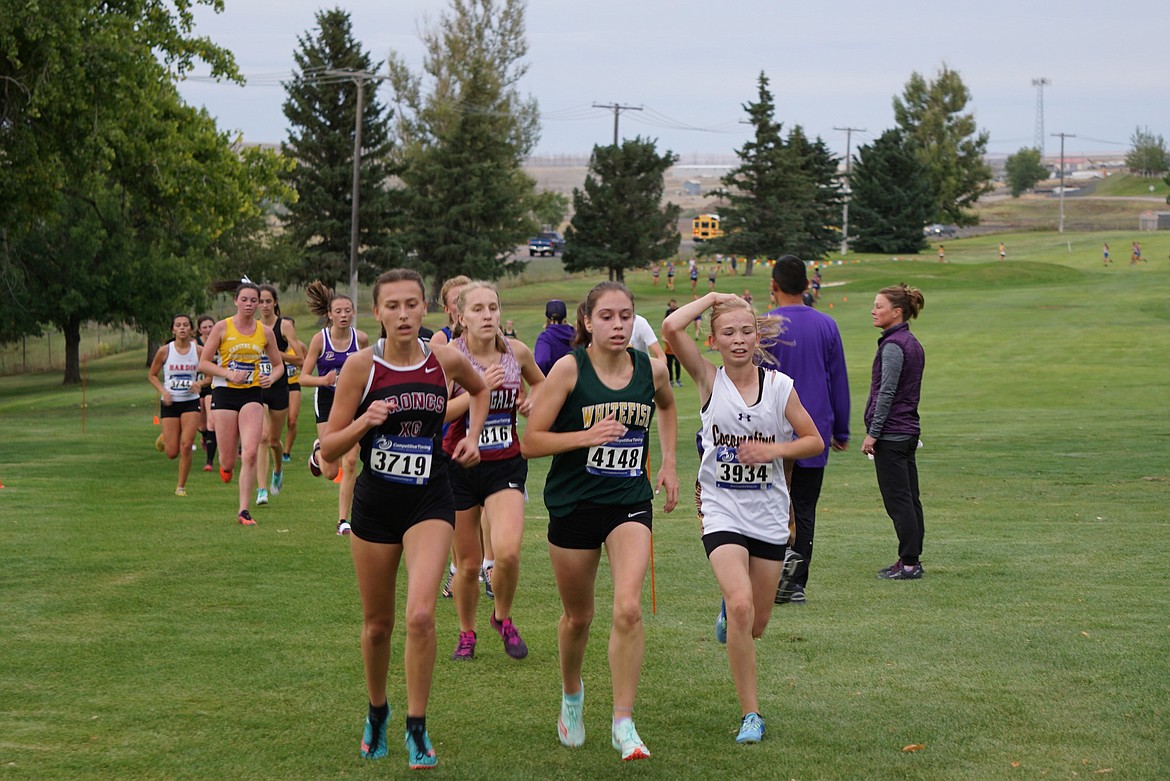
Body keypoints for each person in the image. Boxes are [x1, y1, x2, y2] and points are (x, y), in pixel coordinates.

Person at [319, 268, 488, 769]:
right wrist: (363, 422)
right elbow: (328, 448)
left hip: (430, 500)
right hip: (375, 504)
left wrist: (473, 437)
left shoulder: (445, 360)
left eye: (411, 304)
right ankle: (377, 712)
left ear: (426, 309)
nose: (403, 314)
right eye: (392, 306)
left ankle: (418, 725)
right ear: (378, 313)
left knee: (419, 615)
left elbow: (480, 391)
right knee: (377, 626)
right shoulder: (360, 369)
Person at [520, 281, 679, 762]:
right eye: (607, 316)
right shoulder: (570, 370)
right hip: (573, 506)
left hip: (628, 501)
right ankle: (572, 697)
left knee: (628, 607)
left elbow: (668, 407)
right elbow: (531, 441)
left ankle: (623, 722)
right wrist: (585, 436)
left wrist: (669, 462)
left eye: (626, 316)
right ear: (586, 321)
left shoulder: (650, 370)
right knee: (578, 617)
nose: (618, 325)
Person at [662, 291, 822, 744]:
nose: (738, 340)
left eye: (746, 331)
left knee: (756, 623)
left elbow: (813, 441)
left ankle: (732, 611)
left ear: (757, 337)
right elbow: (672, 328)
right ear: (712, 341)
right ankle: (751, 714)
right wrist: (713, 296)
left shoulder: (780, 387)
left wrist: (776, 449)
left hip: (769, 512)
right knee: (740, 604)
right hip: (721, 507)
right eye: (728, 333)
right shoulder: (710, 382)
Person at [443, 281, 546, 662]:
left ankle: (502, 618)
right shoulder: (451, 357)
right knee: (467, 566)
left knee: (508, 553)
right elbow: (436, 411)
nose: (487, 316)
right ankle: (466, 633)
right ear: (461, 316)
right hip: (458, 465)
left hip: (504, 462)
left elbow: (543, 386)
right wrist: (477, 390)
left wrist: (531, 403)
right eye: (478, 309)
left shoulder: (515, 352)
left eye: (492, 308)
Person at [766, 256, 851, 605]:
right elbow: (837, 380)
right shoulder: (827, 324)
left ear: (773, 287)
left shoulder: (766, 325)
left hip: (773, 435)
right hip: (814, 431)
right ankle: (795, 583)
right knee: (805, 508)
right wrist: (841, 429)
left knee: (772, 507)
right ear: (806, 286)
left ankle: (772, 578)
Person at [197, 281, 286, 526]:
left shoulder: (264, 332)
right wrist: (227, 374)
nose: (249, 304)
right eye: (244, 300)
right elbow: (204, 364)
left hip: (252, 395)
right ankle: (226, 469)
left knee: (249, 453)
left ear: (259, 303)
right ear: (236, 301)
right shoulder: (222, 327)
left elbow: (278, 365)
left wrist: (272, 377)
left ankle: (244, 511)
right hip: (225, 395)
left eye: (253, 300)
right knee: (227, 461)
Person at [861, 283, 927, 581]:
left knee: (899, 501)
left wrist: (873, 433)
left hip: (893, 434)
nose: (874, 311)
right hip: (907, 431)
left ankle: (910, 563)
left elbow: (886, 393)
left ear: (896, 312)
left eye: (879, 306)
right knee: (910, 499)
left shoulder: (893, 346)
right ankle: (910, 559)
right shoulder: (909, 341)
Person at [301, 280, 370, 535]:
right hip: (328, 401)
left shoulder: (360, 339)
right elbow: (302, 377)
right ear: (329, 314)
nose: (343, 315)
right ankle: (318, 452)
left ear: (353, 313)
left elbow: (371, 369)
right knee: (330, 471)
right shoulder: (320, 340)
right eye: (338, 311)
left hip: (352, 401)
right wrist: (324, 380)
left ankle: (343, 520)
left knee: (351, 461)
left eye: (348, 311)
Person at [254, 285, 303, 507]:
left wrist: (275, 353)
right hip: (257, 387)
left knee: (273, 440)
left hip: (280, 387)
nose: (263, 305)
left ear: (275, 302)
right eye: (259, 301)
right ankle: (261, 489)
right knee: (262, 437)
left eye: (267, 301)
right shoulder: (251, 327)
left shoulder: (283, 326)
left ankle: (278, 469)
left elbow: (300, 359)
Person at [147, 314, 203, 496]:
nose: (182, 328)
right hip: (170, 403)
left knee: (186, 445)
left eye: (185, 325)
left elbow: (212, 374)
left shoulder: (199, 351)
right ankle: (167, 436)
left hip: (190, 403)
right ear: (173, 330)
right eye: (178, 325)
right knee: (172, 453)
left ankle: (181, 487)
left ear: (191, 329)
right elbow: (152, 375)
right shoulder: (165, 351)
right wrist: (163, 391)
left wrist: (200, 384)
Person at [195, 315, 218, 472]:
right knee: (201, 424)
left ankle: (209, 461)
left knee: (211, 422)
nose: (208, 330)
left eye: (211, 326)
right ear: (199, 329)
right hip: (197, 386)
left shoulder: (219, 340)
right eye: (205, 327)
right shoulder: (195, 344)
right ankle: (205, 436)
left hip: (213, 385)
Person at [534, 299, 575, 376]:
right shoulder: (576, 334)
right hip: (576, 382)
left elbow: (542, 361)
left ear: (548, 317)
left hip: (554, 384)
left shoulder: (545, 337)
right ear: (565, 316)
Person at [283, 320, 305, 463]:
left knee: (292, 420)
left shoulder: (300, 346)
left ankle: (286, 452)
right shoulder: (272, 344)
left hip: (293, 385)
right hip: (277, 385)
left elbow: (305, 361)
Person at [429, 275, 471, 348]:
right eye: (457, 301)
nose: (464, 305)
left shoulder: (490, 333)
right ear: (446, 309)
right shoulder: (441, 339)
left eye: (468, 299)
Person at [663, 300, 682, 387]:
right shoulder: (665, 328)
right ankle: (670, 381)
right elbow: (663, 337)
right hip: (668, 350)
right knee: (669, 365)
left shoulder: (678, 328)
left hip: (677, 349)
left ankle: (678, 380)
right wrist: (669, 340)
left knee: (677, 364)